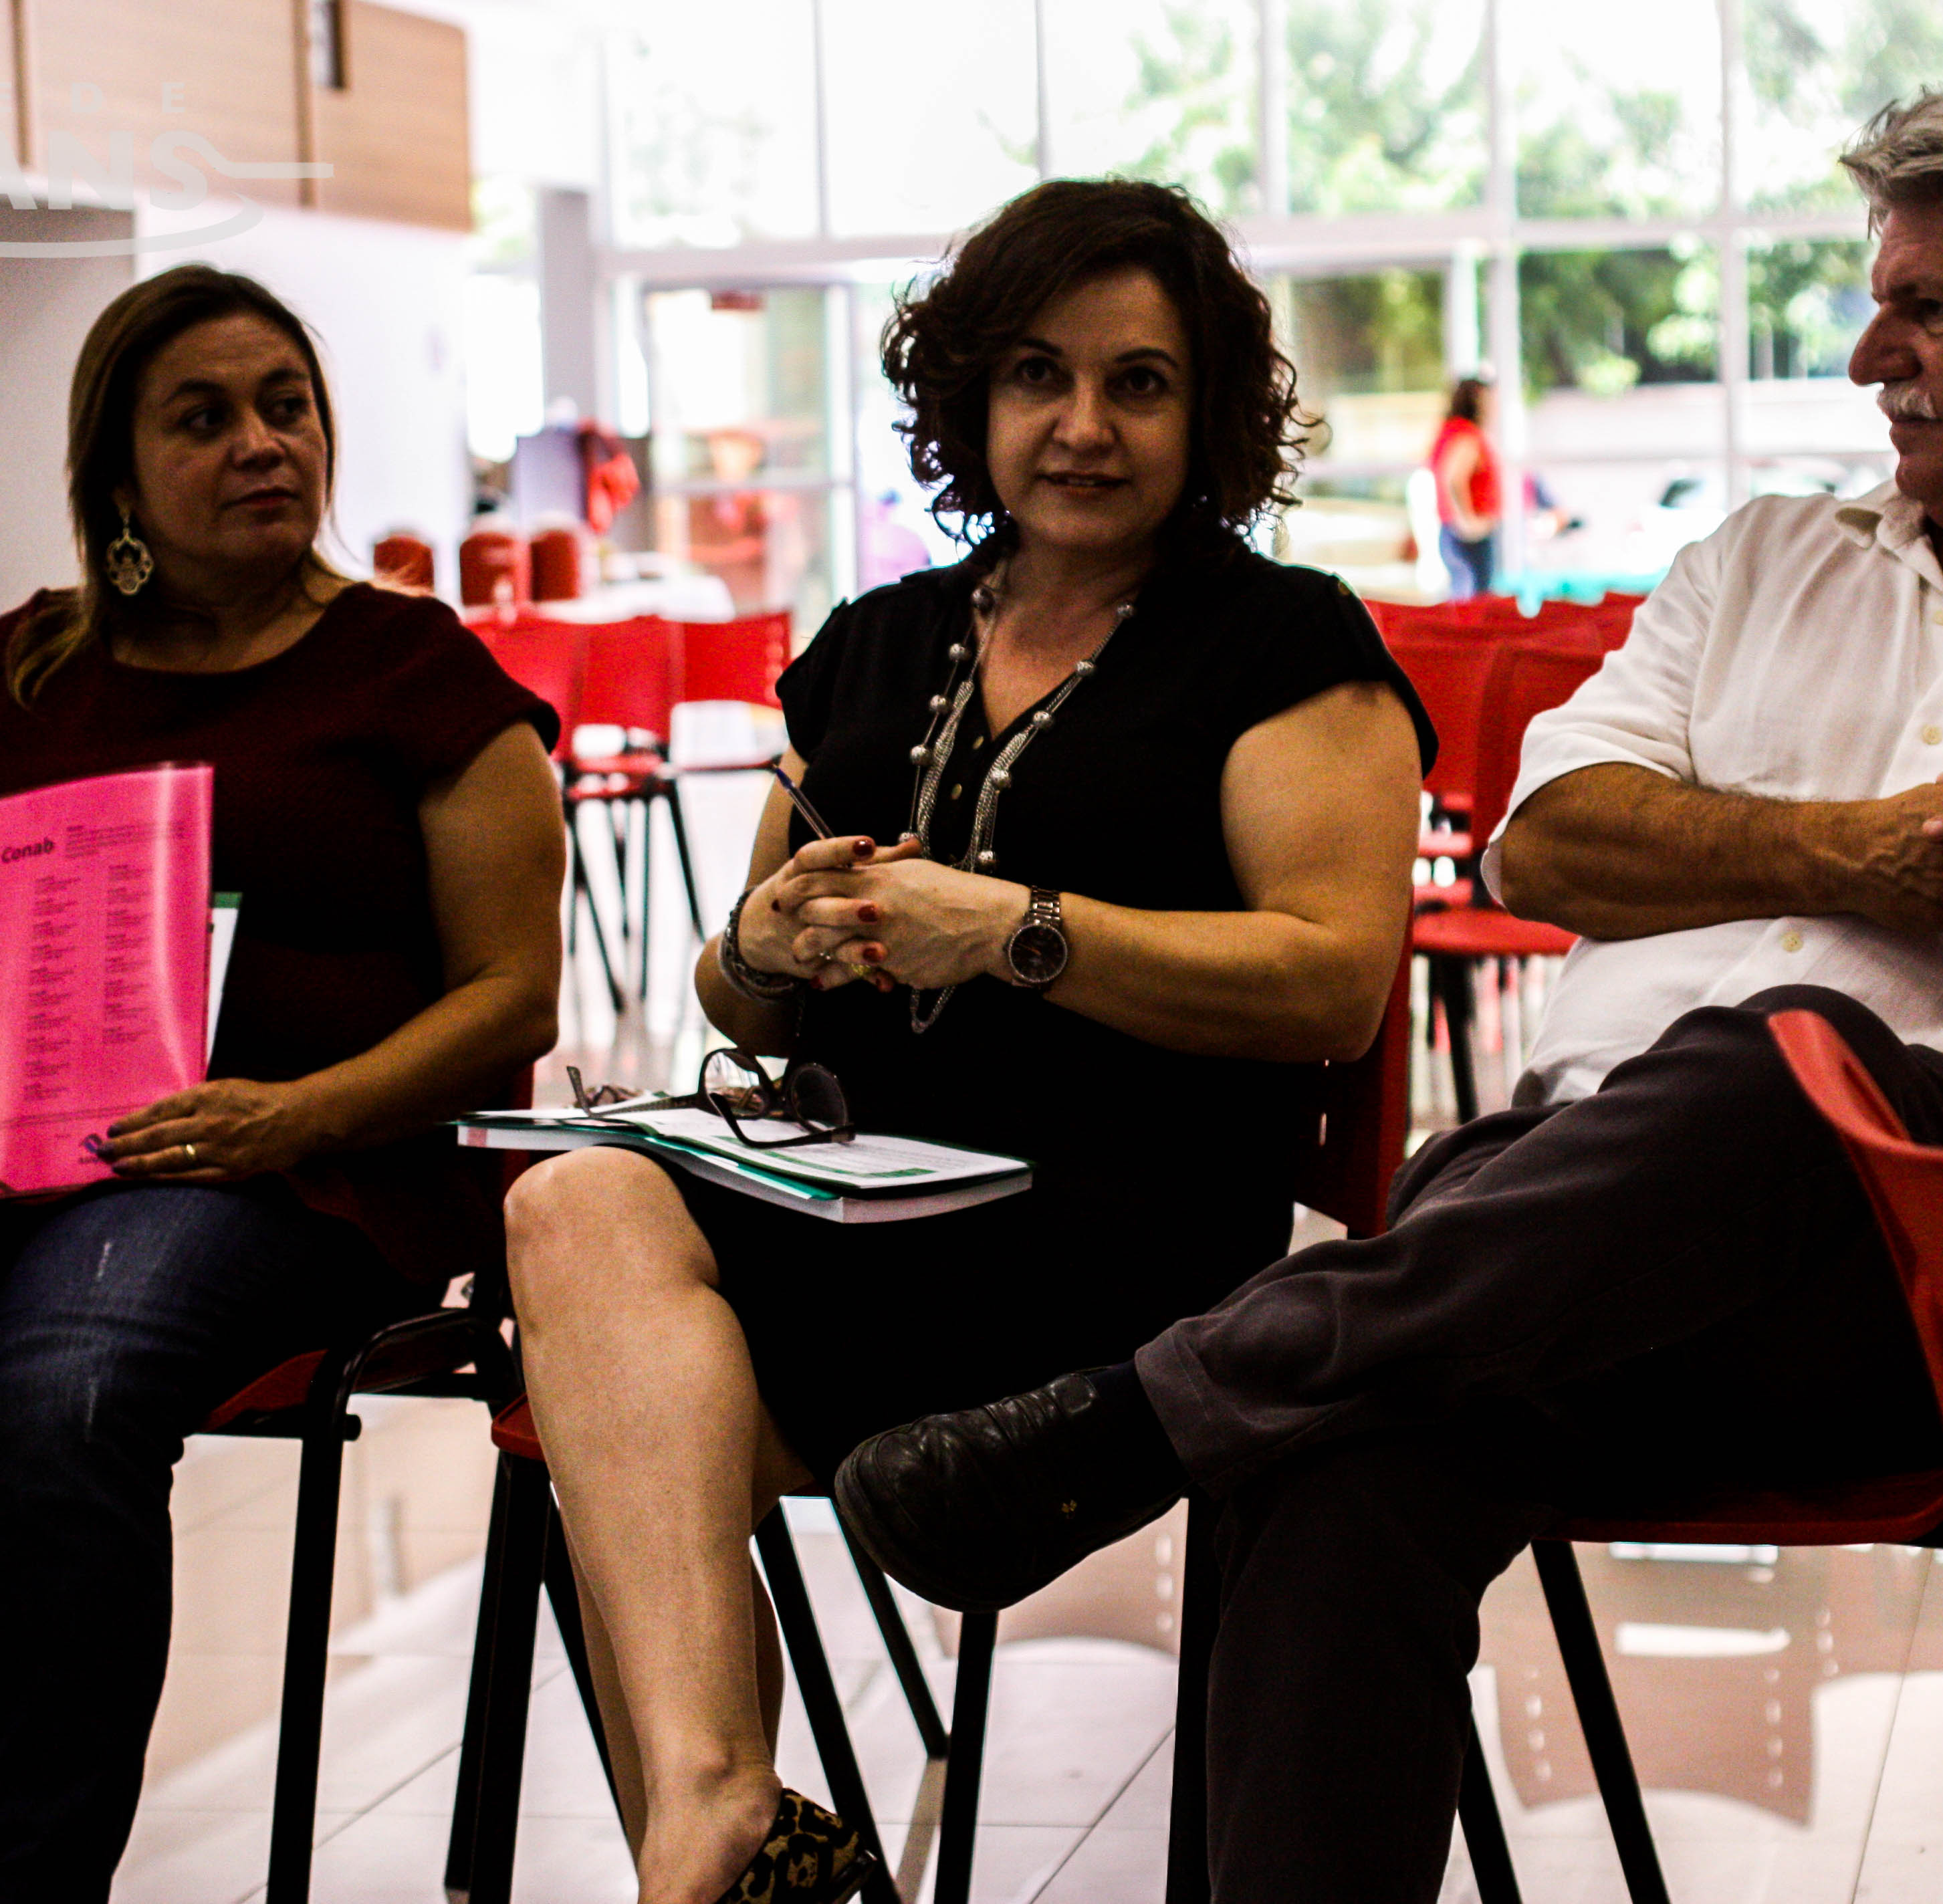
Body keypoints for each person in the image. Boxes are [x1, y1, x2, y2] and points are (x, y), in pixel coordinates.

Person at [834, 62, 1943, 1904]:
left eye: (1928, 308)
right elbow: (1544, 843)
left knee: (1788, 1064)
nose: (1868, 357)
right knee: (1340, 1450)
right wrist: (1863, 853)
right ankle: (1221, 1396)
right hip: (1572, 1245)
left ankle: (1143, 1410)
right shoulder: (1763, 563)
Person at [500, 178, 1430, 1904]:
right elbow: (741, 996)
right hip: (848, 1206)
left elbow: (1333, 984)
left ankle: (712, 1837)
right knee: (571, 1202)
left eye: (1139, 383)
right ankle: (718, 1807)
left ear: (1209, 413)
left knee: (622, 1432)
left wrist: (1013, 929)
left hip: (1122, 1244)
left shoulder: (1284, 644)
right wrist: (760, 943)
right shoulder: (874, 644)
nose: (1083, 426)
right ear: (971, 399)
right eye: (1036, 376)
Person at [0, 265, 566, 1901]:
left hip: (294, 1172)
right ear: (117, 477)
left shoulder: (415, 670)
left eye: (285, 404)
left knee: (66, 1393)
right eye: (202, 418)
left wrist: (299, 1109)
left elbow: (512, 996)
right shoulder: (17, 671)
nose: (261, 441)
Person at [1429, 376, 1500, 597]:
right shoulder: (1466, 435)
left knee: (1463, 598)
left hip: (1452, 533)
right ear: (1478, 401)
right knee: (1475, 605)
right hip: (1468, 538)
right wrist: (1468, 523)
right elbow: (1453, 479)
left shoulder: (1449, 431)